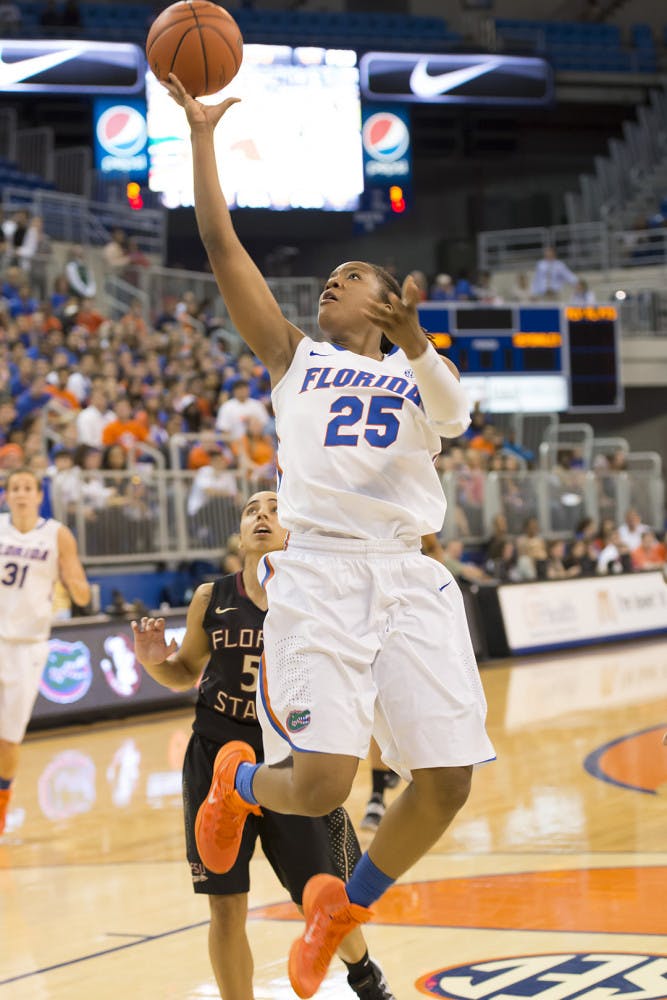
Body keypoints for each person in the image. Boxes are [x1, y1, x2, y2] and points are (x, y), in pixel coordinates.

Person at [165, 73, 494, 1000]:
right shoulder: (292, 360)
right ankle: (235, 790)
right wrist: (201, 138)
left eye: (349, 279)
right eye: (329, 279)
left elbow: (458, 416)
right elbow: (221, 244)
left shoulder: (419, 374)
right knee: (314, 787)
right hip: (314, 574)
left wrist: (419, 341)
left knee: (446, 784)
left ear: (384, 305)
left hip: (407, 574)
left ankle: (341, 911)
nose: (331, 283)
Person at [131, 491, 394, 1000]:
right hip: (217, 752)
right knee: (226, 905)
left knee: (319, 897)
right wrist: (154, 664)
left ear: (294, 529)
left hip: (289, 760)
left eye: (274, 509)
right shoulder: (212, 596)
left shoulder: (316, 596)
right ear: (240, 531)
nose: (262, 517)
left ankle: (363, 974)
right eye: (252, 510)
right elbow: (185, 671)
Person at [0, 467, 91, 834]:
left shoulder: (56, 534)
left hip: (28, 646)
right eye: (15, 488)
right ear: (7, 495)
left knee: (9, 738)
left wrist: (74, 586)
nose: (21, 494)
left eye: (27, 488)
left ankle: (2, 814)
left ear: (39, 495)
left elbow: (81, 591)